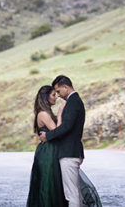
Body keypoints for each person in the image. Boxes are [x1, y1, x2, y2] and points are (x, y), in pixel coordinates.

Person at [37, 76, 101, 207]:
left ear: (65, 87)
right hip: (72, 151)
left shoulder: (73, 102)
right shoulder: (74, 101)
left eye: (58, 92)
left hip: (69, 153)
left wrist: (47, 136)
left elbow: (66, 127)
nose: (58, 96)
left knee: (71, 194)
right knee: (75, 193)